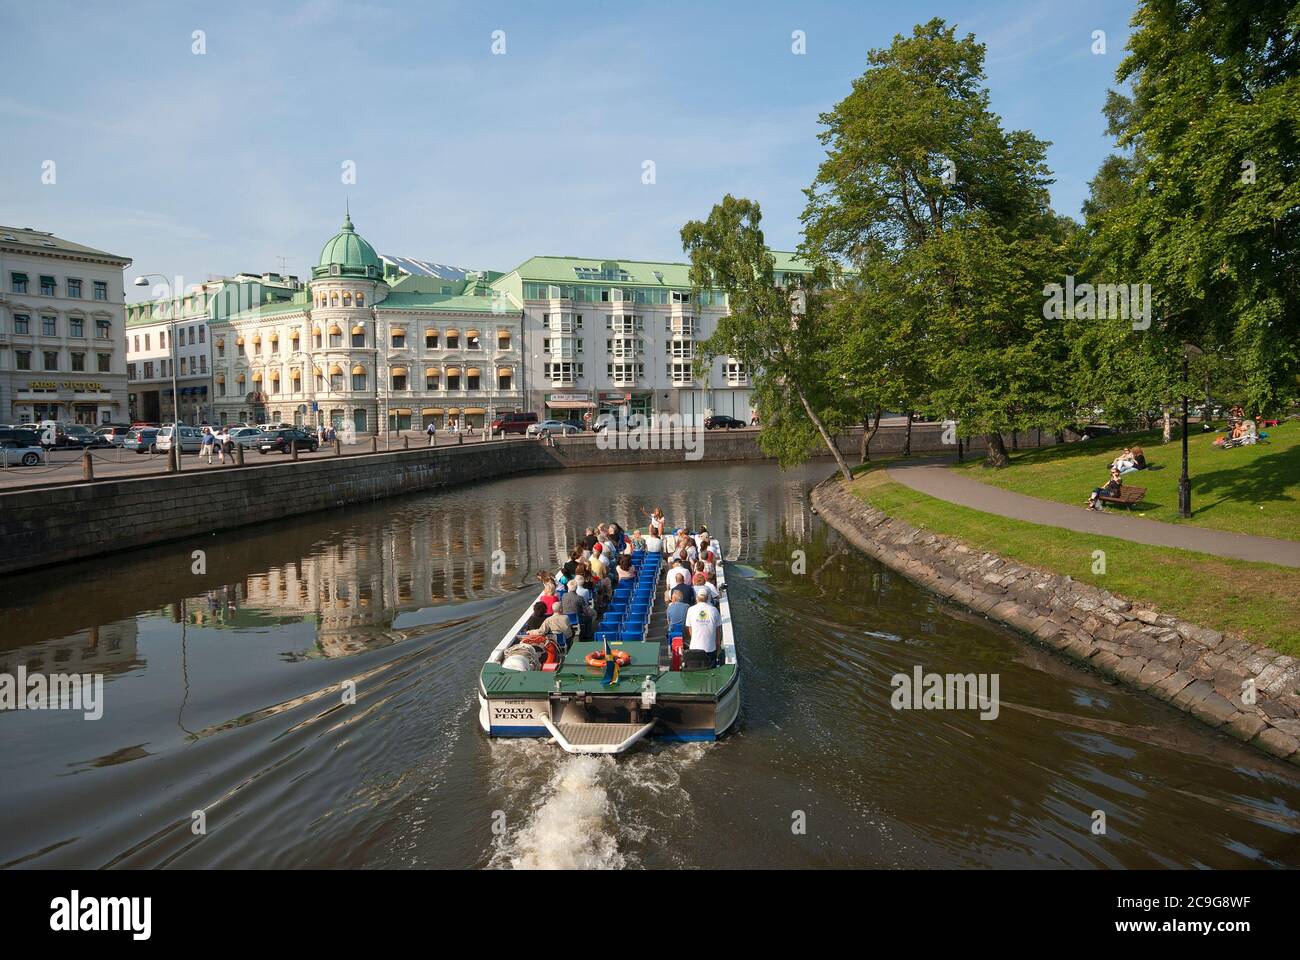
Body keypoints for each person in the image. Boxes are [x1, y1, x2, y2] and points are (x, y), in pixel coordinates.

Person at [685, 593, 722, 668]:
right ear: (707, 598)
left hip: (694, 649)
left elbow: (690, 630)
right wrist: (718, 644)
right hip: (710, 649)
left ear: (697, 598)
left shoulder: (690, 610)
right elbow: (718, 630)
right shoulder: (714, 610)